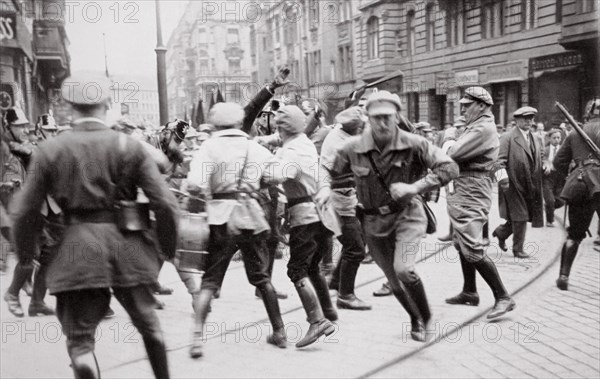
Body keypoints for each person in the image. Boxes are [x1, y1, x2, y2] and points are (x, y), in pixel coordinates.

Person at [11, 73, 179, 378]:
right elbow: (166, 204)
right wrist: (166, 248)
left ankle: (86, 362)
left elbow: (23, 212)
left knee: (80, 340)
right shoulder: (129, 146)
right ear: (106, 103)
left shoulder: (51, 150)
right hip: (127, 244)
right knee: (150, 326)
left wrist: (25, 257)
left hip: (76, 245)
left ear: (69, 105)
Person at [328, 91, 458, 341]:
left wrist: (415, 187)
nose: (383, 123)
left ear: (397, 116)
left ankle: (427, 317)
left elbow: (450, 167)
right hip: (373, 223)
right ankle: (415, 319)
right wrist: (325, 191)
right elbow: (331, 173)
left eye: (387, 117)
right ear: (368, 118)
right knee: (394, 281)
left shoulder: (414, 143)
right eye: (377, 118)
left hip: (408, 216)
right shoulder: (352, 148)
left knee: (404, 269)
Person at [186, 102, 290, 357]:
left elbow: (194, 185)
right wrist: (256, 182)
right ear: (238, 123)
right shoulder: (253, 146)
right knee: (262, 278)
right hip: (249, 218)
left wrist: (206, 188)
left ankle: (198, 339)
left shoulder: (209, 147)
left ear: (215, 125)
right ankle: (280, 332)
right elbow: (280, 174)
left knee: (209, 281)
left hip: (220, 219)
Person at [444, 87, 516, 319]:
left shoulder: (483, 128)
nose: (462, 107)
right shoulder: (476, 125)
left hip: (472, 188)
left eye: (468, 104)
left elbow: (453, 152)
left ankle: (503, 297)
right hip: (465, 187)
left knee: (471, 245)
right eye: (462, 104)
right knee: (461, 242)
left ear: (482, 106)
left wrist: (447, 143)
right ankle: (470, 291)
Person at [273, 104, 338, 348]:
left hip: (304, 215)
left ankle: (317, 320)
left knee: (297, 269)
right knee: (313, 266)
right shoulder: (304, 142)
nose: (276, 131)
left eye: (279, 126)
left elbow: (276, 176)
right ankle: (328, 311)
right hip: (321, 213)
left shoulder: (291, 151)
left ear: (284, 127)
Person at [320, 106, 371, 311]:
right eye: (361, 126)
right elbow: (358, 171)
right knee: (356, 249)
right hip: (339, 199)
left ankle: (336, 282)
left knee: (355, 240)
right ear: (354, 126)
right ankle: (346, 295)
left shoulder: (339, 134)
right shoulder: (341, 144)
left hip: (344, 198)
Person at [554, 98, 600, 290]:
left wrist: (574, 170)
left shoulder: (574, 133)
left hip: (580, 184)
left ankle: (563, 276)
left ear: (588, 113)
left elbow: (558, 162)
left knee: (574, 234)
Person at [493, 106, 544, 258]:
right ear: (517, 120)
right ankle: (518, 249)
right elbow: (498, 162)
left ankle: (500, 233)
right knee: (520, 216)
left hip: (530, 184)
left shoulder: (534, 137)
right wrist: (503, 180)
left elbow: (540, 154)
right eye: (525, 119)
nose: (529, 121)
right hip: (513, 184)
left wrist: (546, 163)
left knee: (523, 215)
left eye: (531, 118)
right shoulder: (507, 137)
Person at [542, 129, 565, 227]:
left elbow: (569, 160)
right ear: (550, 138)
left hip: (560, 178)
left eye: (558, 137)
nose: (556, 140)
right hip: (548, 177)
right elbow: (541, 158)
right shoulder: (545, 149)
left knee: (561, 201)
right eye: (554, 138)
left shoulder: (564, 150)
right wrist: (546, 163)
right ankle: (549, 221)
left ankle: (549, 207)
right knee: (550, 200)